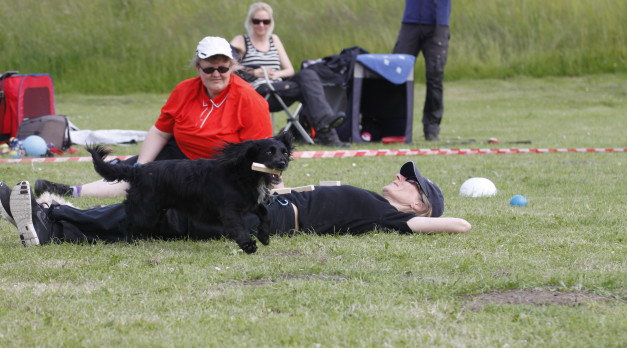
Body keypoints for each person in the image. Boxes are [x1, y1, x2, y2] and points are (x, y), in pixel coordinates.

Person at [0, 162, 471, 247]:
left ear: (419, 207)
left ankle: (53, 221)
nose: (402, 177)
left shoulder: (389, 218)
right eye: (405, 174)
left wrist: (435, 217)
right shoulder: (369, 199)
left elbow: (460, 225)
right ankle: (54, 224)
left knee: (168, 215)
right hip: (259, 204)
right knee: (161, 214)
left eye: (412, 183)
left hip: (265, 220)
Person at [35, 36, 273, 198]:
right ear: (198, 68)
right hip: (179, 153)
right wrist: (141, 166)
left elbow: (261, 155)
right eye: (208, 69)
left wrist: (264, 186)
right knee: (131, 172)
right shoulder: (184, 90)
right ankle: (71, 192)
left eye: (222, 68)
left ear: (232, 66)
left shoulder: (250, 100)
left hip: (220, 169)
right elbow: (160, 131)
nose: (216, 74)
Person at [230, 2, 348, 147]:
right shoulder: (242, 40)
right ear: (250, 22)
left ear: (271, 22)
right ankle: (327, 134)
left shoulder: (274, 39)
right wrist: (254, 72)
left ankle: (324, 123)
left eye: (266, 21)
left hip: (280, 85)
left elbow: (289, 70)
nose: (261, 25)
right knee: (309, 90)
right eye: (257, 21)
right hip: (260, 91)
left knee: (308, 74)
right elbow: (230, 64)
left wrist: (275, 74)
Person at [392, 0, 451, 141]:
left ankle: (431, 128)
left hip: (438, 22)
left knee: (435, 77)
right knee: (395, 73)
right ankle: (393, 124)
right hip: (411, 21)